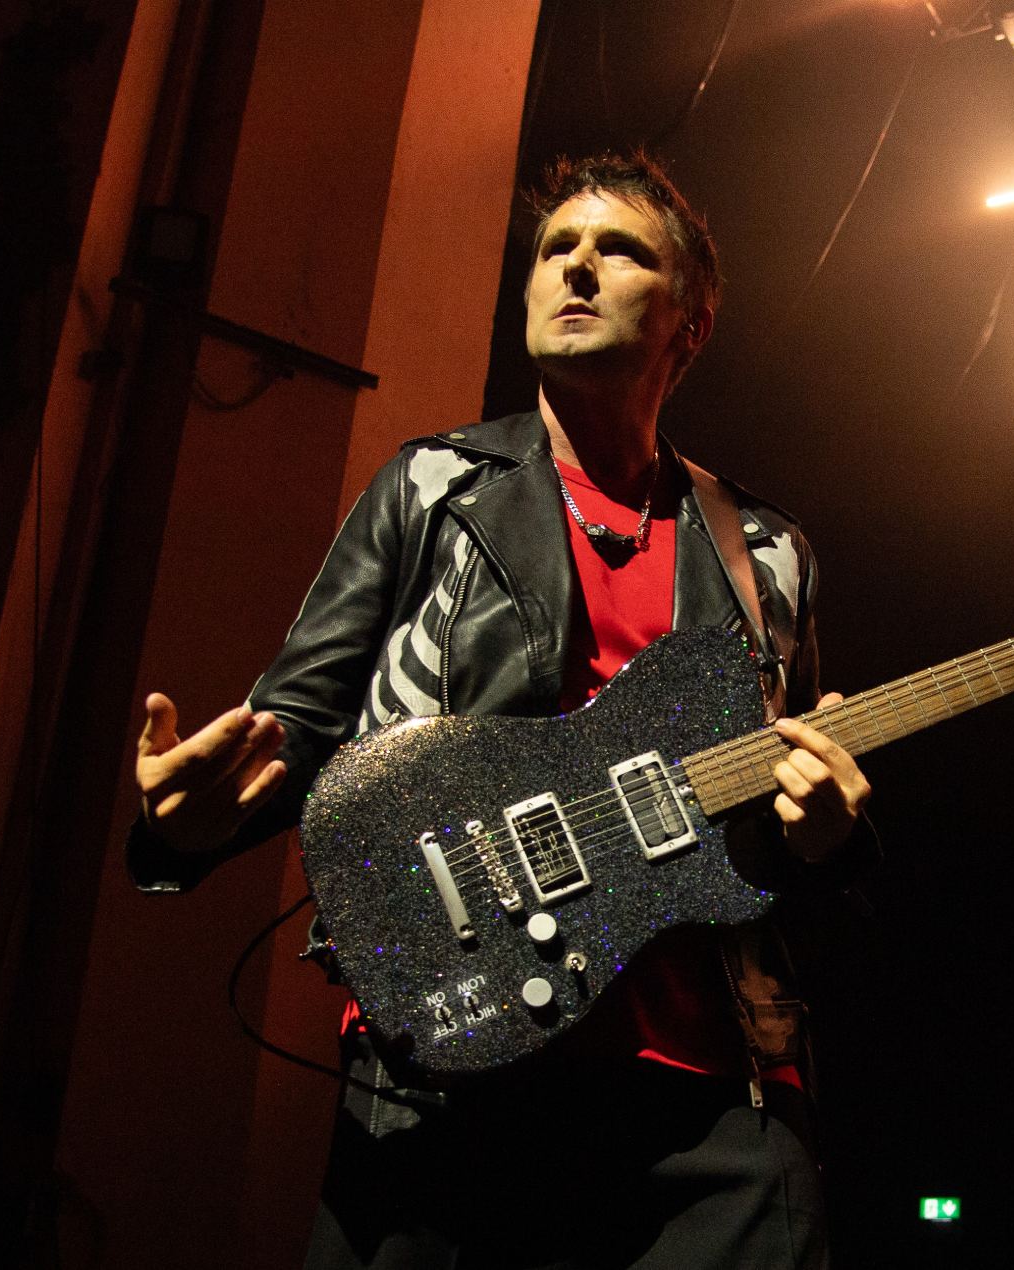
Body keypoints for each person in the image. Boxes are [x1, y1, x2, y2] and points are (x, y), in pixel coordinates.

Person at [128, 151, 874, 1268]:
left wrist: (826, 836)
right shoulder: (433, 487)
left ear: (691, 322)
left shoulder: (764, 549)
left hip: (709, 1083)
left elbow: (774, 818)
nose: (574, 266)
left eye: (618, 250)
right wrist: (181, 830)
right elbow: (291, 735)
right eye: (552, 250)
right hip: (455, 1049)